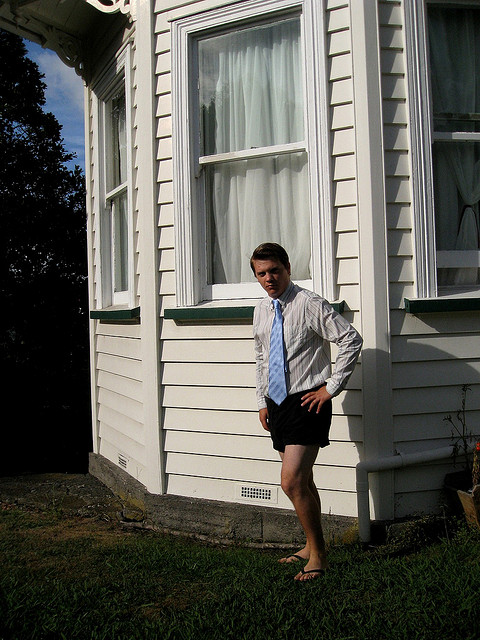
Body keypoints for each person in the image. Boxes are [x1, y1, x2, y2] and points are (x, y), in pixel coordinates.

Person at [251, 242, 362, 581]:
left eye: (275, 271)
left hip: (306, 402)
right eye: (261, 273)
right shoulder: (261, 309)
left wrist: (331, 387)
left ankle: (320, 555)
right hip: (277, 403)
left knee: (292, 481)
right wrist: (262, 401)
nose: (269, 278)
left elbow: (350, 339)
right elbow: (260, 355)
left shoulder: (308, 303)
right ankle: (311, 546)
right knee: (304, 480)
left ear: (287, 268)